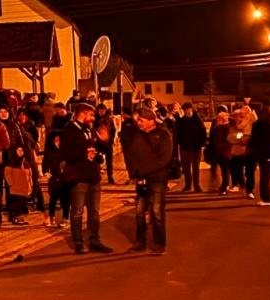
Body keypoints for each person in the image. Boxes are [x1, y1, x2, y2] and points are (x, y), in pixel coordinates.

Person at [59, 101, 112, 254]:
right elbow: (66, 153)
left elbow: (98, 147)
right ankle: (78, 242)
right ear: (81, 114)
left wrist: (99, 154)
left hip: (93, 175)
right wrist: (84, 154)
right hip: (78, 176)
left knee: (94, 211)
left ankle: (95, 240)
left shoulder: (90, 129)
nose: (93, 118)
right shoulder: (68, 130)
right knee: (77, 211)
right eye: (91, 115)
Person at [121, 106, 174, 254]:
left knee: (156, 211)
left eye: (141, 120)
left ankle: (159, 243)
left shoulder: (163, 135)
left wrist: (144, 170)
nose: (139, 123)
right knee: (139, 211)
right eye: (138, 120)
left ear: (151, 121)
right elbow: (130, 154)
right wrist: (133, 172)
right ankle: (141, 242)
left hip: (157, 178)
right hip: (141, 179)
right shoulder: (137, 135)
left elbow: (164, 159)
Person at [173, 103, 207, 194]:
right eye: (185, 110)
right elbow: (178, 133)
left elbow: (203, 132)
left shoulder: (197, 120)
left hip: (195, 148)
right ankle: (188, 185)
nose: (186, 112)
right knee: (186, 168)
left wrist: (201, 143)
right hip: (185, 147)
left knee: (195, 168)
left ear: (191, 109)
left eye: (188, 109)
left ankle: (196, 185)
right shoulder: (181, 121)